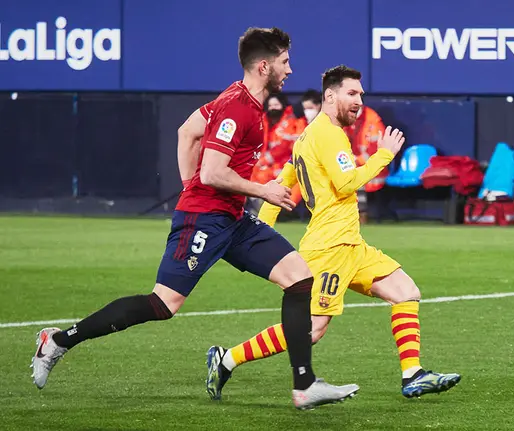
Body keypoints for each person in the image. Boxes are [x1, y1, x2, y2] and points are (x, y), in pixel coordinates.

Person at [30, 27, 359, 411]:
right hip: (204, 219)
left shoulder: (237, 98)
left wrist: (192, 185)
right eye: (285, 62)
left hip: (232, 218)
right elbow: (213, 171)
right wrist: (258, 191)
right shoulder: (237, 107)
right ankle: (57, 341)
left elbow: (187, 131)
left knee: (300, 278)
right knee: (163, 304)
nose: (290, 69)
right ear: (264, 66)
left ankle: (304, 385)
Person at [205, 65, 461, 401]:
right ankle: (226, 359)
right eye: (352, 93)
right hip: (329, 248)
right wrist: (384, 155)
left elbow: (281, 184)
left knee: (405, 292)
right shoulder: (328, 134)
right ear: (330, 95)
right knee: (311, 329)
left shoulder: (307, 137)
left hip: (350, 244)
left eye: (361, 95)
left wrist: (261, 233)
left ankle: (412, 374)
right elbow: (345, 183)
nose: (359, 101)